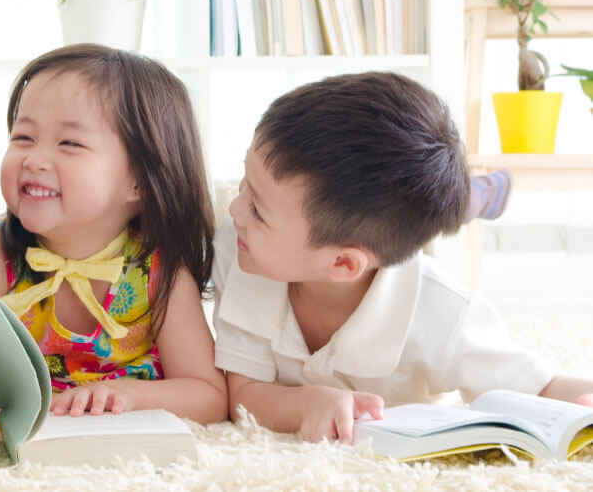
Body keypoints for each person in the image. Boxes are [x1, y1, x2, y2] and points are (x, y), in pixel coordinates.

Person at [212, 71, 593, 445]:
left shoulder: (441, 312)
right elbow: (243, 391)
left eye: (258, 210)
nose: (234, 209)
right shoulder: (241, 248)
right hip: (355, 230)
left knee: (410, 211)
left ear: (344, 264)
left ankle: (473, 196)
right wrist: (304, 403)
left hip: (375, 245)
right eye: (245, 183)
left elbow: (539, 386)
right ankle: (473, 197)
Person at [0, 44, 228, 434]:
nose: (34, 160)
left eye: (70, 144)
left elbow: (210, 395)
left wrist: (126, 396)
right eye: (24, 136)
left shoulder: (158, 270)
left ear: (139, 181)